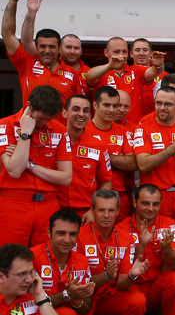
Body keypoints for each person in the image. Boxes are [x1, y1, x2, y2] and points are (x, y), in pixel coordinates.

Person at [75, 190, 147, 315]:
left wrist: (131, 275)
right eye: (101, 210)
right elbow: (77, 285)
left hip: (108, 297)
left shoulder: (126, 239)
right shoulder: (78, 236)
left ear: (118, 211)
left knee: (138, 300)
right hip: (83, 299)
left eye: (111, 210)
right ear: (92, 211)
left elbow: (122, 284)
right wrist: (106, 276)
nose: (106, 215)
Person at [31, 210, 101, 315]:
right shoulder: (32, 257)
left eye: (72, 234)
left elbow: (85, 309)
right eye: (61, 233)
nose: (67, 240)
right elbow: (28, 305)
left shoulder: (81, 260)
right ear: (49, 233)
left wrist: (78, 299)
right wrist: (67, 295)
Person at [0, 85, 72, 246]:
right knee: (9, 259)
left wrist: (30, 165)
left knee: (44, 259)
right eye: (40, 118)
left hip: (48, 205)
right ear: (29, 106)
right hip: (13, 204)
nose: (44, 123)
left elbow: (66, 178)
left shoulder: (59, 130)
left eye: (49, 119)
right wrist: (25, 133)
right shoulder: (5, 125)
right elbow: (14, 170)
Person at [116, 184, 175, 315]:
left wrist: (167, 247)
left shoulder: (169, 224)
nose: (151, 209)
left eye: (155, 204)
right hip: (131, 286)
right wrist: (140, 245)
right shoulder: (121, 228)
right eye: (145, 203)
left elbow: (171, 260)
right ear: (134, 202)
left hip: (155, 286)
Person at [133, 86, 175, 227]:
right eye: (158, 103)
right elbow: (143, 165)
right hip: (155, 197)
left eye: (168, 104)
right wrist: (172, 149)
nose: (162, 108)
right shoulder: (142, 129)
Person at [2, 0, 81, 105]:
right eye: (42, 46)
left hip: (60, 124)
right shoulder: (26, 63)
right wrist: (12, 2)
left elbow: (78, 105)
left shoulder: (71, 73)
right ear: (36, 47)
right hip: (32, 124)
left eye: (52, 47)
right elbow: (8, 34)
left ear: (59, 48)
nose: (47, 50)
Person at [84, 86, 137, 222]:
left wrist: (100, 157)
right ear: (95, 105)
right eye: (107, 105)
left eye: (115, 105)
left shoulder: (122, 131)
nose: (112, 110)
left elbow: (132, 163)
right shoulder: (84, 130)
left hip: (119, 196)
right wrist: (118, 159)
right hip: (89, 197)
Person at [84, 36, 163, 126]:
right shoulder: (101, 73)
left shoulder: (135, 71)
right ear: (106, 52)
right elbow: (89, 76)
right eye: (117, 52)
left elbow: (154, 71)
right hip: (105, 130)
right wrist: (110, 66)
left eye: (124, 52)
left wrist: (159, 65)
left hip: (131, 130)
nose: (121, 55)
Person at [57, 95, 112, 220]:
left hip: (86, 213)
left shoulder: (98, 145)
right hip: (55, 209)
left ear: (90, 115)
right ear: (64, 113)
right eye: (76, 109)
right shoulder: (53, 141)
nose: (81, 114)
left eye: (86, 111)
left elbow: (106, 181)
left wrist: (94, 210)